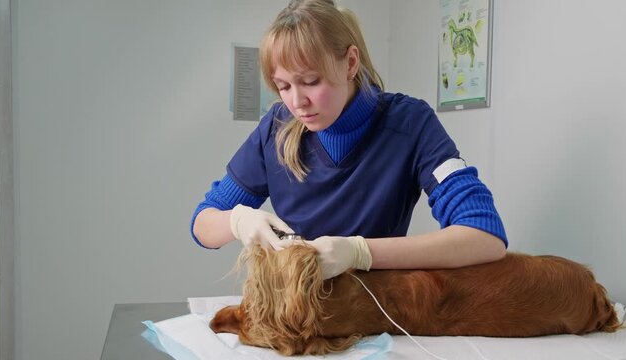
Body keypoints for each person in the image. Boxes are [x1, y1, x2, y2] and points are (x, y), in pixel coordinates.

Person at [191, 0, 507, 280]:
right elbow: (203, 226)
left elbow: (484, 236)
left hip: (374, 310)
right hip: (299, 309)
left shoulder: (409, 123)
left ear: (350, 63)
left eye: (310, 81)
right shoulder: (275, 128)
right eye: (283, 87)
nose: (297, 102)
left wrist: (360, 252)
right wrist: (237, 220)